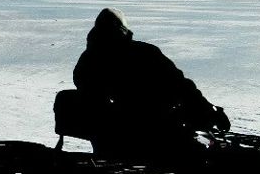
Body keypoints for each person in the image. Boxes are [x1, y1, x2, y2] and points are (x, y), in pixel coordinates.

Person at [72, 8, 229, 158]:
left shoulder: (87, 60)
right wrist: (211, 111)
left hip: (110, 138)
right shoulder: (145, 53)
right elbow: (181, 86)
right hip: (149, 133)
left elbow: (181, 86)